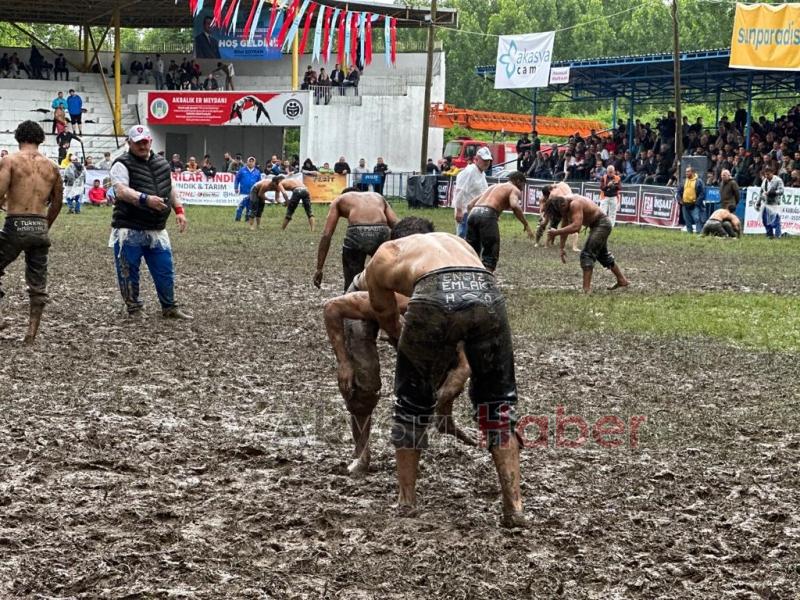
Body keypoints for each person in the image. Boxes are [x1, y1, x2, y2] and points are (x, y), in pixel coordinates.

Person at [342, 217, 525, 527]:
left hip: (432, 293)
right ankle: (514, 507)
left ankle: (406, 501)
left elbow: (388, 319)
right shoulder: (455, 242)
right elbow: (471, 299)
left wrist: (409, 345)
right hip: (487, 292)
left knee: (411, 403)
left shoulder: (384, 256)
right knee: (498, 404)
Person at [108, 125, 190, 319]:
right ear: (129, 143)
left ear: (150, 141)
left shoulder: (162, 163)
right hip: (129, 227)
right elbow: (121, 191)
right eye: (138, 143)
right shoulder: (121, 164)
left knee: (164, 269)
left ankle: (169, 306)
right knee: (129, 270)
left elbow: (171, 188)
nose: (142, 146)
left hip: (156, 228)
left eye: (145, 142)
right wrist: (146, 199)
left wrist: (179, 210)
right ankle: (134, 308)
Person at [0, 121, 63, 344]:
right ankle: (31, 334)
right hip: (39, 224)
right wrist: (45, 226)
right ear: (41, 139)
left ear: (18, 138)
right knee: (38, 283)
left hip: (16, 223)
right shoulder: (52, 167)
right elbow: (57, 203)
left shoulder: (10, 161)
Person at [313, 188, 398, 290]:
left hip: (357, 233)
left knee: (352, 281)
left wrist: (319, 268)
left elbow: (326, 235)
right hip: (382, 231)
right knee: (384, 277)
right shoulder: (378, 197)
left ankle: (351, 293)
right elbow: (395, 224)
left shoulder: (339, 199)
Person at [546, 190, 629, 293]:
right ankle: (622, 280)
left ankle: (586, 290)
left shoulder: (575, 204)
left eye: (560, 213)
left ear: (563, 206)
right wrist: (562, 247)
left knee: (587, 254)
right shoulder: (565, 203)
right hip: (597, 225)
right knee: (602, 255)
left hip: (602, 224)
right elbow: (565, 225)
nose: (561, 215)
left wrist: (556, 232)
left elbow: (576, 227)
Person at [465, 171, 533, 272]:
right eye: (523, 185)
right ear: (518, 181)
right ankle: (486, 281)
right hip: (488, 215)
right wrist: (526, 224)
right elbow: (514, 205)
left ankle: (468, 275)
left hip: (473, 213)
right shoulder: (514, 189)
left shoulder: (494, 186)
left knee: (472, 252)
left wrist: (481, 217)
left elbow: (470, 205)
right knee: (490, 255)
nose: (522, 189)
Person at [452, 146, 490, 239]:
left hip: (476, 212)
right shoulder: (469, 171)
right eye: (484, 160)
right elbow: (459, 190)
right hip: (465, 212)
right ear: (476, 160)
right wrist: (459, 210)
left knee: (474, 239)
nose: (487, 162)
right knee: (464, 239)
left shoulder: (482, 173)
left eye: (488, 160)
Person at [534, 182, 580, 252]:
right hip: (560, 206)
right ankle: (538, 242)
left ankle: (549, 243)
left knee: (557, 224)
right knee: (543, 223)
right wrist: (543, 218)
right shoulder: (544, 198)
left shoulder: (554, 193)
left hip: (565, 206)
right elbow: (542, 210)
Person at [677, 166, 706, 234]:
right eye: (686, 171)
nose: (686, 173)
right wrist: (680, 200)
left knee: (697, 219)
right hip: (685, 204)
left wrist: (696, 203)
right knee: (687, 220)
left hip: (694, 205)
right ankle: (690, 233)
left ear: (693, 172)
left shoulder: (699, 181)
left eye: (688, 171)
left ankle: (699, 233)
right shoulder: (684, 181)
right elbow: (678, 191)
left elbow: (702, 193)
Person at [758, 166, 784, 238]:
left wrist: (773, 192)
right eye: (765, 174)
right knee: (765, 220)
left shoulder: (778, 180)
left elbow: (781, 191)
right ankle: (769, 234)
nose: (767, 176)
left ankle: (778, 235)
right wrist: (758, 202)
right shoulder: (764, 181)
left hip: (775, 203)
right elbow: (761, 191)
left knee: (776, 220)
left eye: (768, 174)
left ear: (772, 173)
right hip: (765, 203)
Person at [234, 156, 261, 222]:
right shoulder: (242, 170)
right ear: (247, 162)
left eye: (252, 161)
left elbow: (259, 183)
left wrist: (259, 191)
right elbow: (237, 179)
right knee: (240, 206)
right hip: (243, 192)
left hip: (253, 193)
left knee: (250, 208)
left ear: (254, 163)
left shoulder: (257, 172)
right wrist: (236, 187)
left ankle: (247, 219)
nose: (251, 163)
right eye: (250, 161)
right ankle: (237, 219)